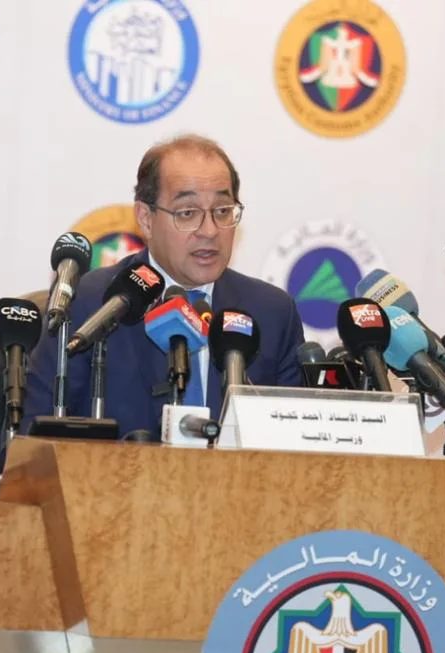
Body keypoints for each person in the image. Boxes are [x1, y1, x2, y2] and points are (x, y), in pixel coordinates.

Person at [24, 135, 304, 437]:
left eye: (222, 210)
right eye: (187, 213)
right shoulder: (93, 301)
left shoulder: (272, 313)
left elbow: (297, 448)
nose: (209, 231)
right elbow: (32, 440)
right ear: (146, 219)